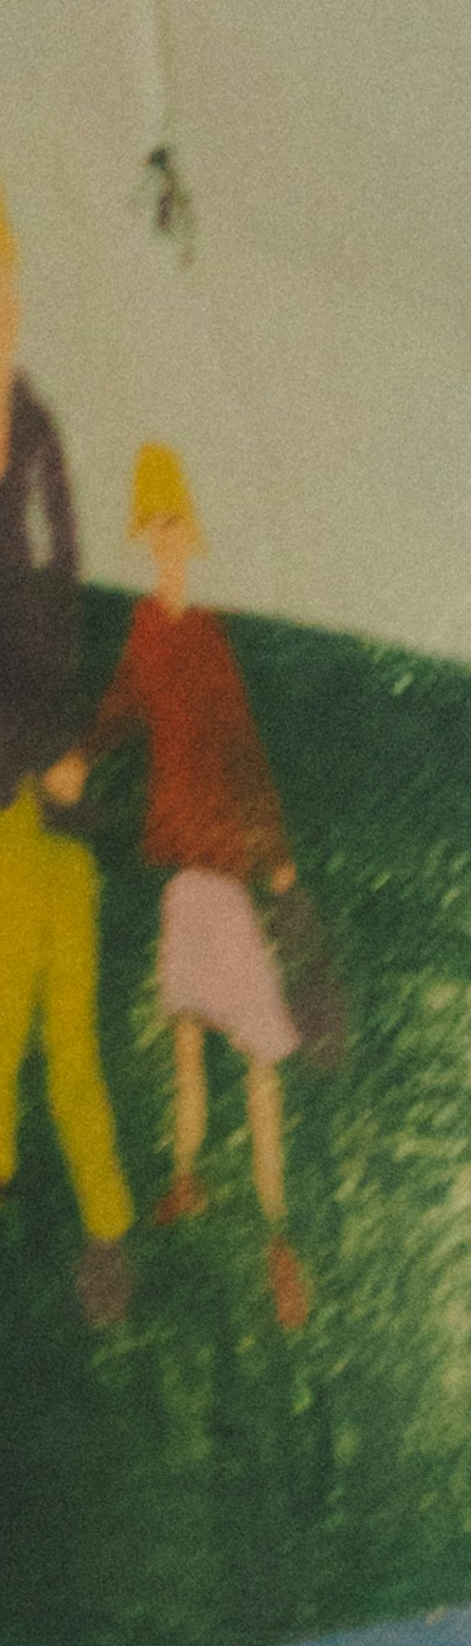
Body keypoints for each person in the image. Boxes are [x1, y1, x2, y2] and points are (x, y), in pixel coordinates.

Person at [78, 442, 311, 1328]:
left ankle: (278, 1234)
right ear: (145, 538)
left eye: (175, 526)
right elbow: (120, 708)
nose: (164, 541)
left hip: (223, 861)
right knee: (185, 1034)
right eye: (154, 528)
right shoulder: (146, 629)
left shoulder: (208, 636)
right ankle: (185, 1179)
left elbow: (244, 746)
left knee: (257, 1054)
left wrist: (277, 854)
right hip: (184, 865)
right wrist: (77, 758)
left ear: (191, 534)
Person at [0, 187, 137, 1323]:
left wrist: (64, 751)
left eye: (6, 293)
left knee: (71, 1045)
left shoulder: (35, 435)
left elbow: (60, 598)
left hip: (52, 800)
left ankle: (107, 1235)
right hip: (14, 790)